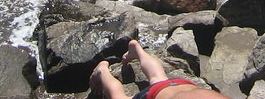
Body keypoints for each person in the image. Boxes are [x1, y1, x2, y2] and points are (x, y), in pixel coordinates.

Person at [90, 40, 226, 99]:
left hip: (180, 85)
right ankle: (102, 71)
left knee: (158, 77)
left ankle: (137, 50)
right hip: (153, 95)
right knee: (119, 97)